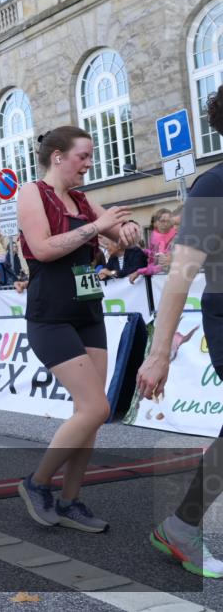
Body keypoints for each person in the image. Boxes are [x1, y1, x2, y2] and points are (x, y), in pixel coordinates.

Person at [16, 126, 141, 532]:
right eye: (82, 157)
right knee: (96, 408)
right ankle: (36, 483)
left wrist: (125, 232)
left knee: (88, 414)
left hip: (88, 311)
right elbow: (42, 248)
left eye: (90, 157)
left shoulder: (82, 200)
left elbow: (115, 233)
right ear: (58, 157)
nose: (89, 164)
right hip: (50, 314)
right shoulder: (32, 193)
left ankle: (71, 501)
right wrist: (97, 227)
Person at [137, 84, 223, 578]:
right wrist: (159, 352)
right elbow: (181, 273)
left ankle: (182, 525)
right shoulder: (213, 188)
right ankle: (182, 526)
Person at [132, 208, 178, 281]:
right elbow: (153, 256)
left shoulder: (175, 239)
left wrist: (140, 271)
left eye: (168, 221)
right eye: (162, 221)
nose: (165, 224)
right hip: (156, 280)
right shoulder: (154, 236)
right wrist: (143, 251)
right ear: (156, 223)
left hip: (169, 279)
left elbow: (162, 266)